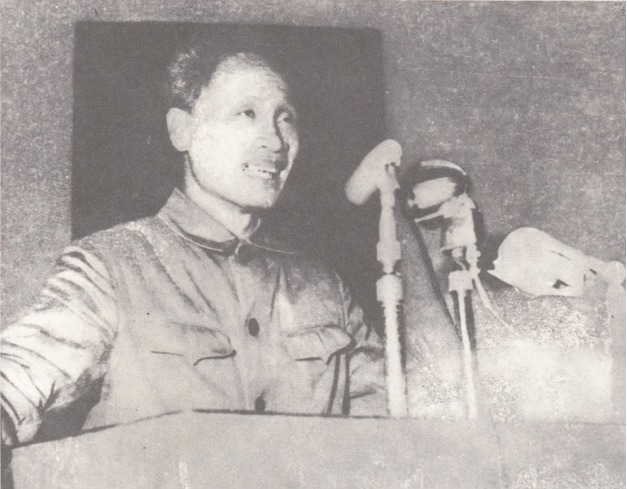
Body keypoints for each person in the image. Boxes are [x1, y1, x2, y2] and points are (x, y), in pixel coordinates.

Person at [0, 41, 386, 447]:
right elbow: (13, 384)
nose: (275, 141)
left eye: (285, 118)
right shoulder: (111, 267)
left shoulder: (326, 289)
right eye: (247, 113)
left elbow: (395, 433)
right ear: (181, 130)